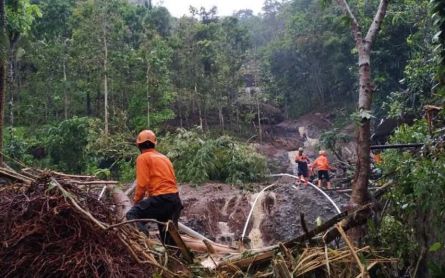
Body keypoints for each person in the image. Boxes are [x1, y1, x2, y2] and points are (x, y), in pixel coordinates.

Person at [126, 130, 183, 246]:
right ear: (154, 144)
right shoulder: (164, 158)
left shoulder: (143, 158)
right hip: (175, 201)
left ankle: (143, 241)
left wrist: (136, 202)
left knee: (132, 215)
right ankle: (177, 261)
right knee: (169, 240)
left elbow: (142, 184)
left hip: (161, 199)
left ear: (138, 145)